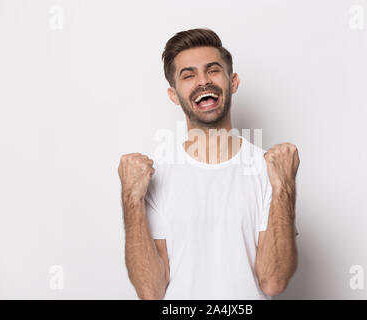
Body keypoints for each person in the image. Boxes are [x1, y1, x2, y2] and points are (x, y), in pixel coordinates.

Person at [117, 28, 300, 300]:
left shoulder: (269, 170)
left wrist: (284, 188)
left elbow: (273, 281)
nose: (203, 82)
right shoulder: (155, 175)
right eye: (188, 75)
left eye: (213, 70)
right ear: (174, 95)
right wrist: (131, 199)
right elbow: (150, 291)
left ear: (233, 82)